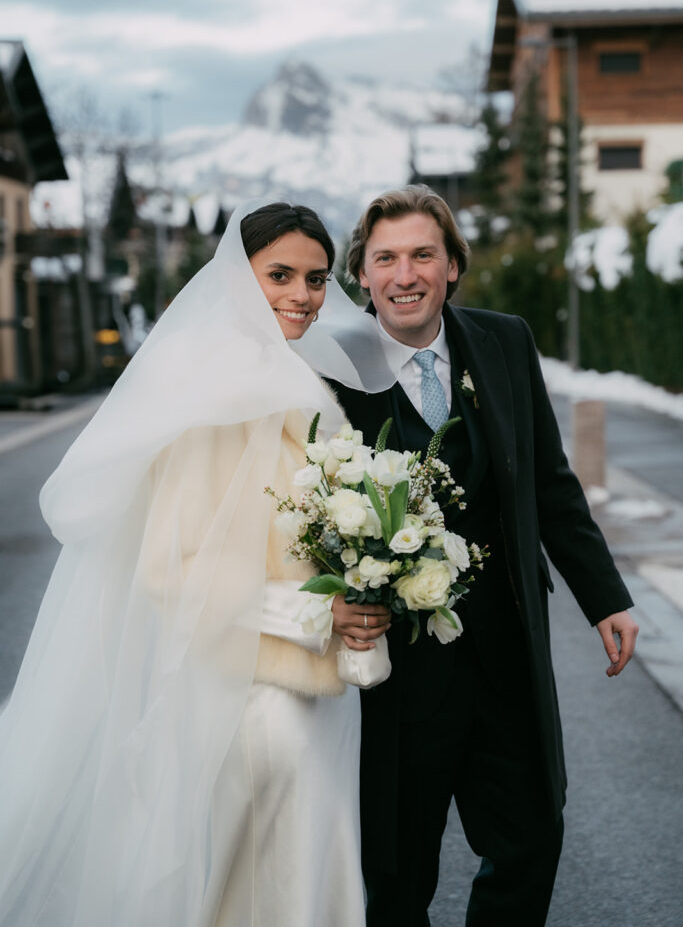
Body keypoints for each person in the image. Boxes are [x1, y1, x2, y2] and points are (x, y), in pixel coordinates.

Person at [0, 199, 390, 927]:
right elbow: (174, 570)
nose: (302, 296)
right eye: (278, 274)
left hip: (310, 692)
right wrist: (319, 612)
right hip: (251, 698)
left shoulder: (292, 384)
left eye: (314, 278)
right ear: (237, 278)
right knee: (271, 892)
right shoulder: (221, 393)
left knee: (294, 882)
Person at [327, 184, 639, 927]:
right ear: (362, 276)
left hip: (505, 652)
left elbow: (550, 484)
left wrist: (606, 597)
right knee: (396, 872)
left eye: (423, 255)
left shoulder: (504, 340)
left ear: (453, 265)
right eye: (386, 259)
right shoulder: (328, 369)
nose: (406, 275)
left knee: (531, 837)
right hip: (395, 677)